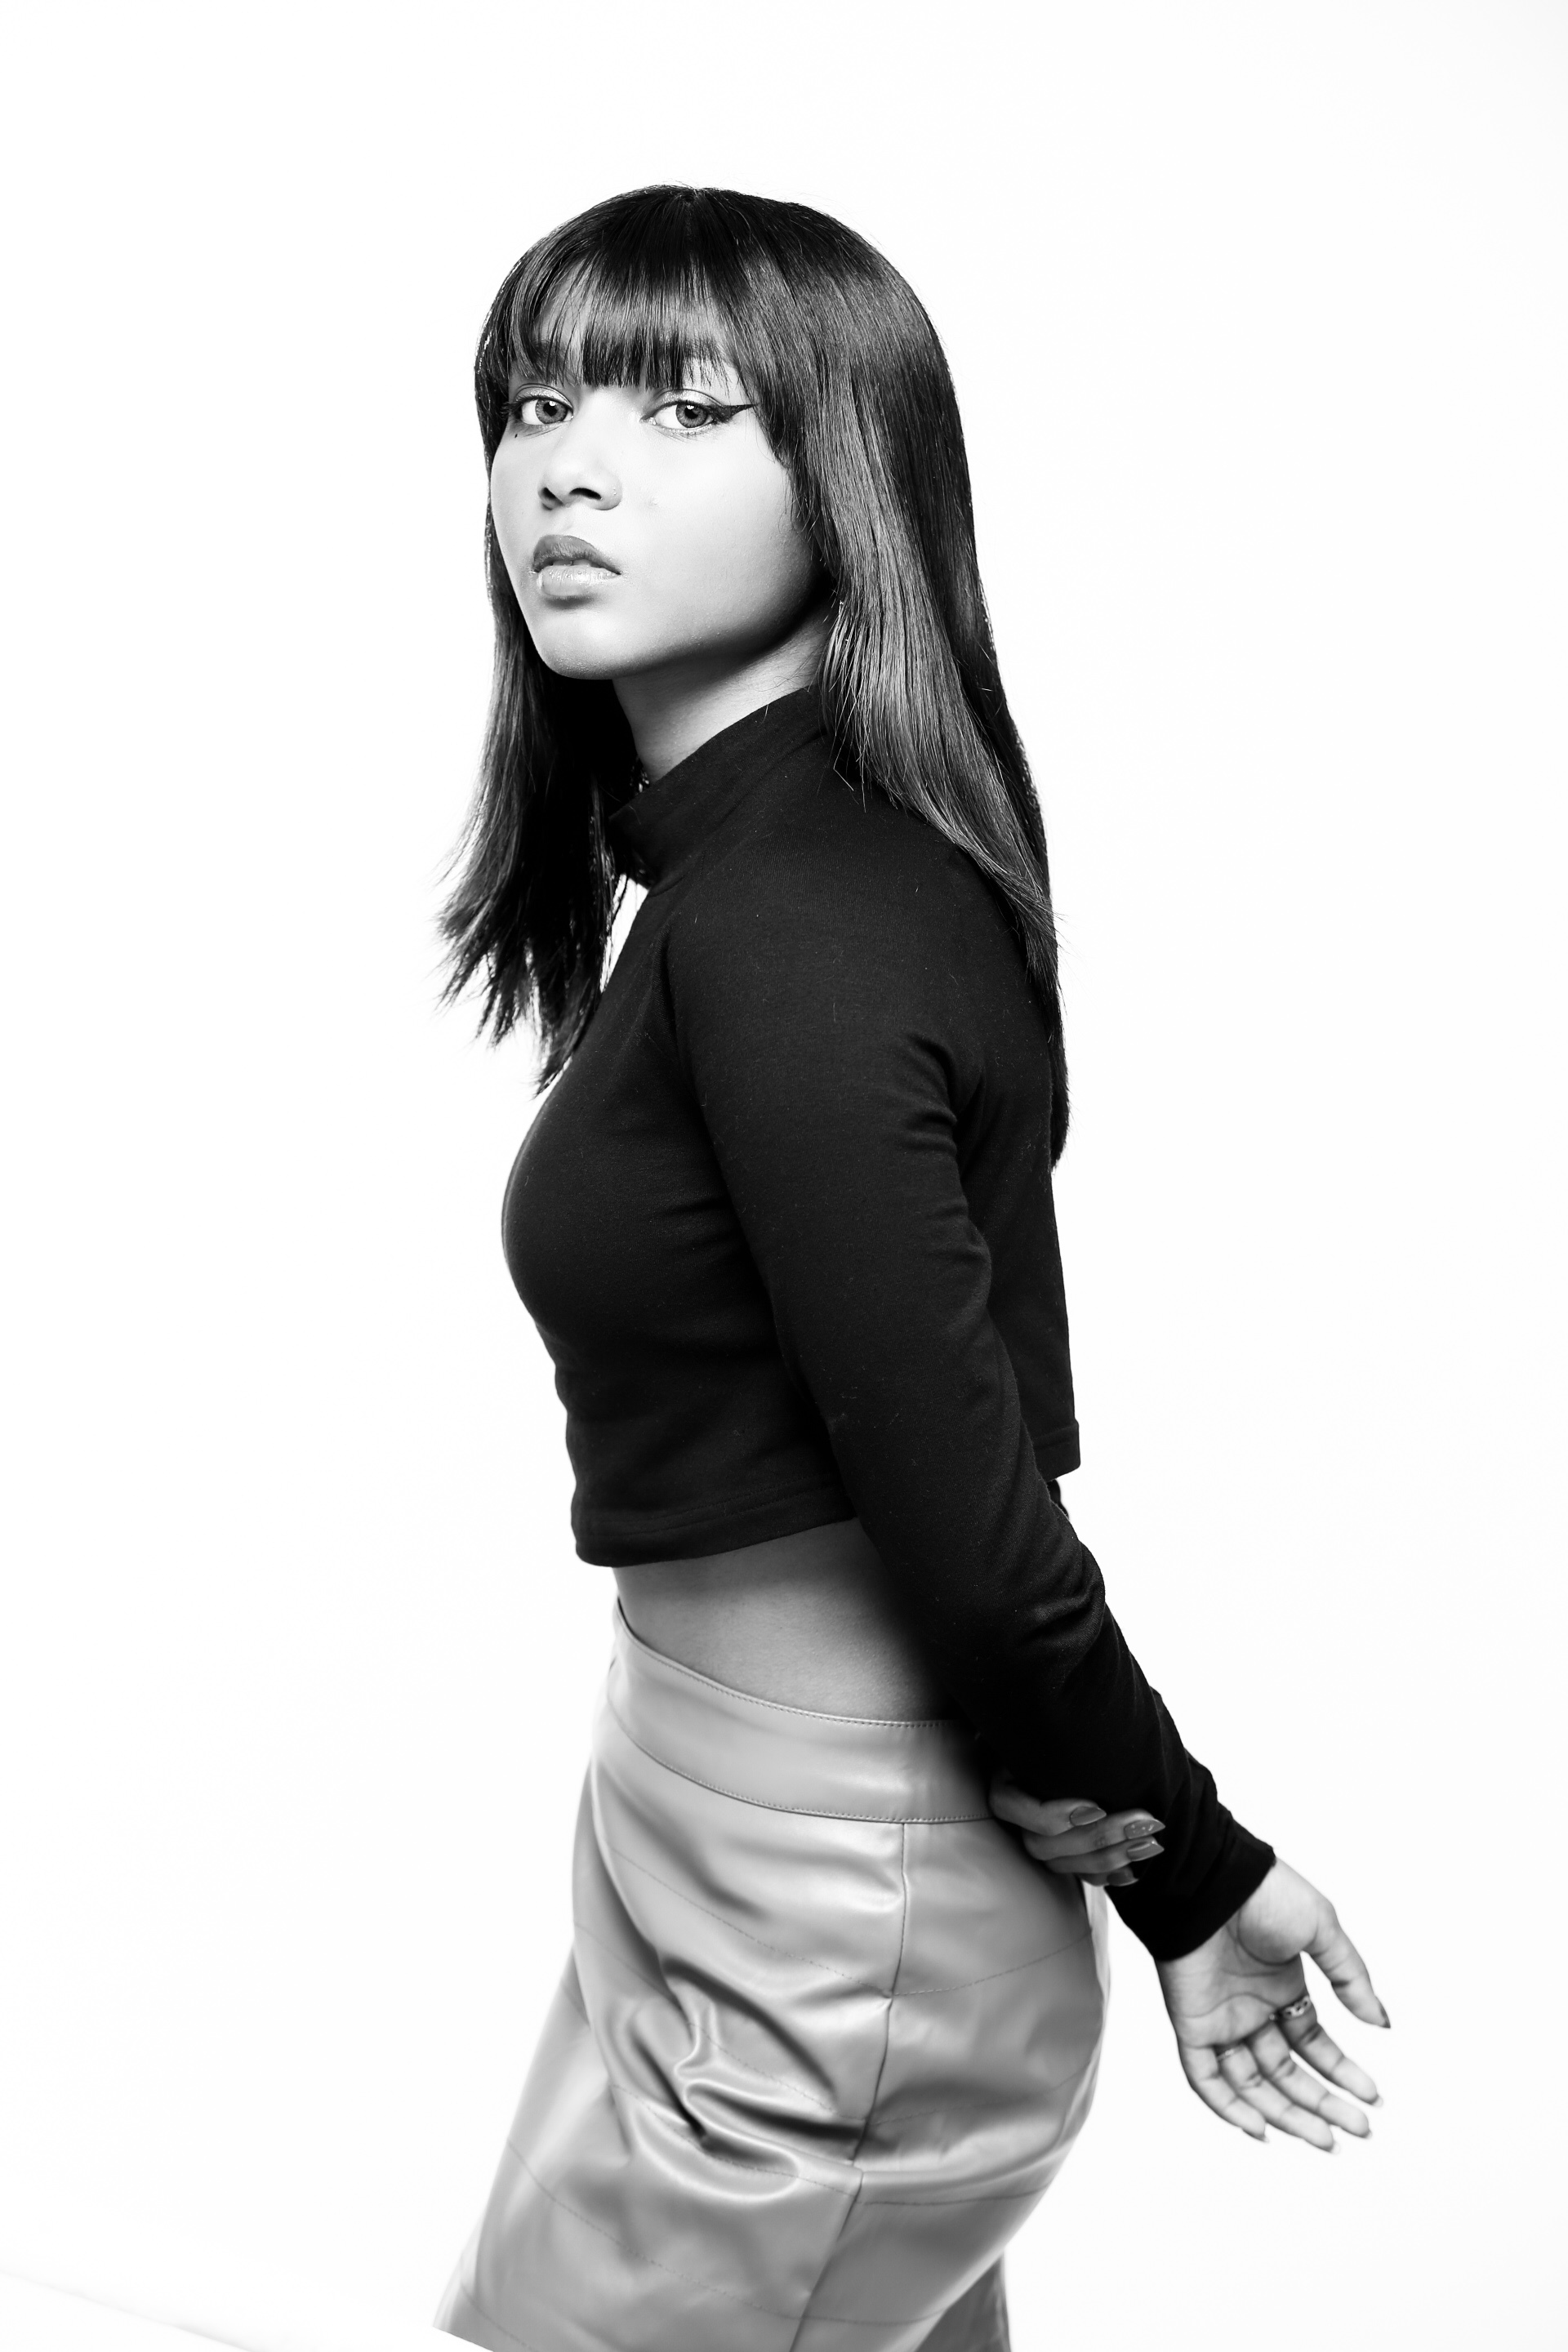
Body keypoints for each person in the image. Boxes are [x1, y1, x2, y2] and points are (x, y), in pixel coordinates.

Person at [433, 185, 1388, 2352]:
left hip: (831, 1896)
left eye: (686, 411)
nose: (570, 467)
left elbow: (961, 1502)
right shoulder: (747, 877)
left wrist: (1195, 1872)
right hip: (707, 1819)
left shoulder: (804, 912)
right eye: (535, 404)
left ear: (848, 473)